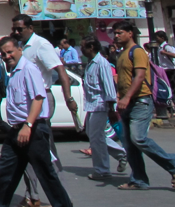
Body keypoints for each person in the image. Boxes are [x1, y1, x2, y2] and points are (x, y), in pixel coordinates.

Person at [0, 37, 73, 207]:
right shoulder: (13, 73)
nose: (7, 56)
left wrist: (28, 125)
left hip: (32, 130)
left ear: (20, 50)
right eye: (4, 54)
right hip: (17, 130)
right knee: (6, 172)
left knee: (46, 174)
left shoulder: (29, 69)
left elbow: (38, 99)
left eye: (10, 52)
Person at [12, 13, 77, 205]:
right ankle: (33, 195)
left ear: (30, 28)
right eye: (14, 29)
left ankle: (63, 197)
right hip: (24, 102)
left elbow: (61, 71)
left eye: (20, 29)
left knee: (45, 151)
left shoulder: (41, 45)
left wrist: (69, 98)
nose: (16, 32)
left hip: (40, 99)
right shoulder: (20, 47)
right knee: (25, 150)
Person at [112, 20, 175, 190]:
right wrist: (120, 97)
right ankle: (139, 180)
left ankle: (173, 164)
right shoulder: (122, 53)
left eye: (119, 33)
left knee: (138, 138)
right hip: (127, 103)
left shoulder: (137, 51)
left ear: (130, 33)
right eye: (115, 33)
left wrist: (127, 98)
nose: (116, 36)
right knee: (130, 144)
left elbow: (139, 77)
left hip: (141, 100)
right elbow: (123, 79)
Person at [79, 35, 124, 181]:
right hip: (92, 105)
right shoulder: (91, 63)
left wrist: (111, 106)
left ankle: (102, 169)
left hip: (101, 105)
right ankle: (121, 154)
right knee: (94, 134)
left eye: (83, 46)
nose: (81, 50)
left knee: (96, 138)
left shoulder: (101, 63)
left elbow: (108, 86)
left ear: (91, 47)